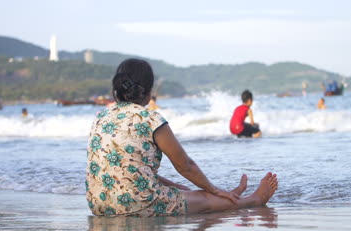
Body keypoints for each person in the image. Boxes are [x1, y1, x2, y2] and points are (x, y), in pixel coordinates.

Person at [86, 59, 278, 217]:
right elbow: (185, 165)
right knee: (206, 201)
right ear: (148, 92)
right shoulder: (151, 119)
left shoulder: (100, 117)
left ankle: (225, 196)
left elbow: (129, 169)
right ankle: (253, 200)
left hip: (99, 204)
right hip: (135, 205)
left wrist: (183, 188)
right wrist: (213, 190)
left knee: (190, 192)